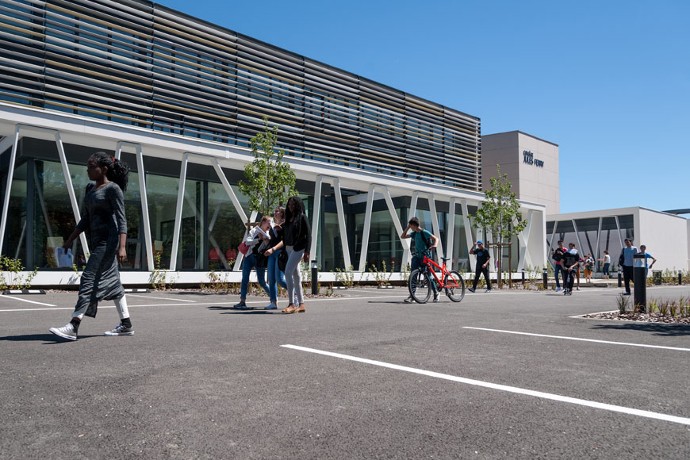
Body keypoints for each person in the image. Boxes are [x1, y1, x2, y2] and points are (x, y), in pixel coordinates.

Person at [49, 152, 133, 341]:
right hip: (97, 241)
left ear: (103, 169)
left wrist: (122, 247)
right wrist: (71, 239)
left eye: (91, 166)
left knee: (88, 278)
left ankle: (73, 325)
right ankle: (126, 324)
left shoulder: (113, 189)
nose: (87, 169)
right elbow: (86, 219)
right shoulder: (90, 188)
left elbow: (122, 220)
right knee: (115, 284)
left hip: (108, 241)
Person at [265, 196, 311, 314]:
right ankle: (301, 304)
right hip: (289, 249)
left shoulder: (302, 217)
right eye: (289, 204)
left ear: (298, 205)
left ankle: (291, 303)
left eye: (293, 204)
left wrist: (307, 252)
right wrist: (281, 230)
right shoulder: (288, 220)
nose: (291, 206)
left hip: (298, 249)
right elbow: (286, 237)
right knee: (296, 276)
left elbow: (308, 236)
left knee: (287, 272)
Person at [233, 217, 271, 309]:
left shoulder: (269, 233)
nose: (270, 225)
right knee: (245, 279)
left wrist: (267, 240)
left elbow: (269, 245)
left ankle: (273, 297)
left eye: (271, 223)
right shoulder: (254, 231)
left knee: (262, 281)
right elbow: (247, 242)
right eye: (268, 223)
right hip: (249, 257)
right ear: (263, 222)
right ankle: (242, 301)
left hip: (260, 258)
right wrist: (259, 239)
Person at [400, 217, 439, 302]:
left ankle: (436, 293)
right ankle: (412, 296)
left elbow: (436, 238)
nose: (410, 227)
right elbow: (402, 236)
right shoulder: (414, 233)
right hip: (417, 257)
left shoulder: (424, 232)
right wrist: (407, 228)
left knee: (428, 277)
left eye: (411, 226)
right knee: (413, 276)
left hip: (426, 257)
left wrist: (435, 245)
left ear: (414, 225)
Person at [263, 206, 288, 310]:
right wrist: (264, 239)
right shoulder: (272, 225)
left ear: (282, 213)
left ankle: (295, 292)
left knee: (280, 279)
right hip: (271, 253)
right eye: (275, 211)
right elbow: (272, 241)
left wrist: (273, 249)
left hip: (279, 252)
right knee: (271, 279)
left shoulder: (285, 225)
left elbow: (284, 241)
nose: (275, 212)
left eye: (277, 211)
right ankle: (273, 302)